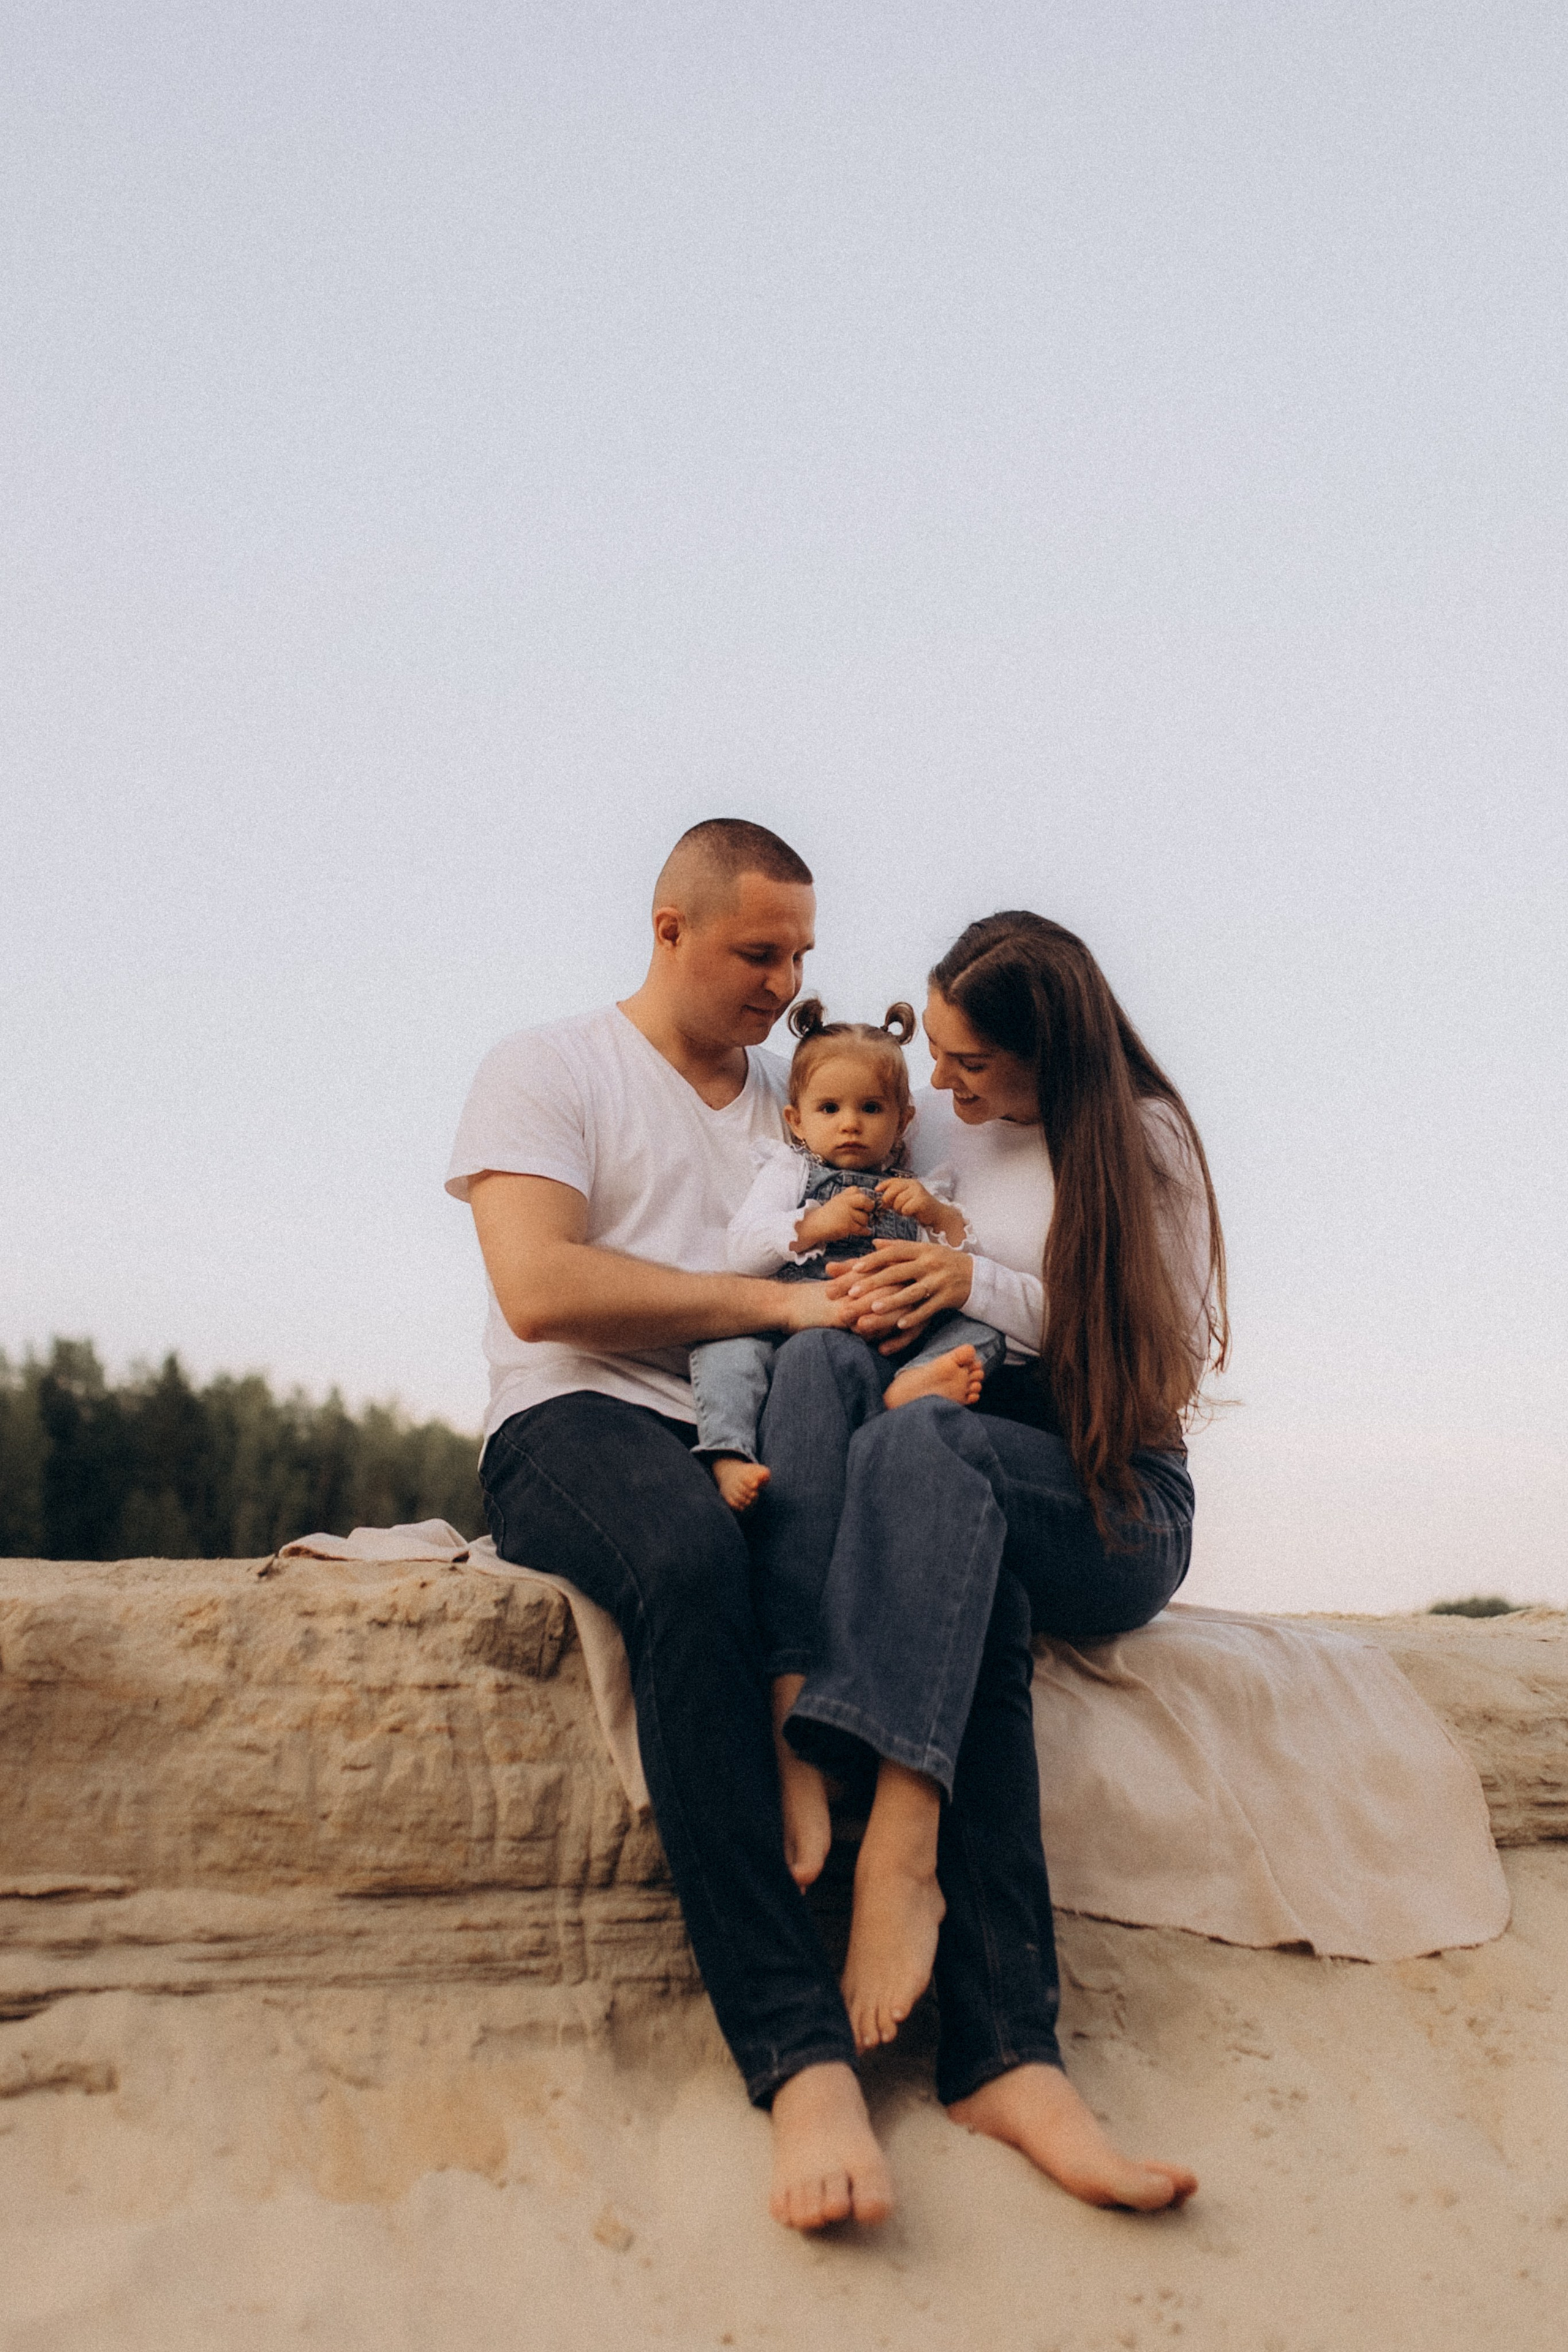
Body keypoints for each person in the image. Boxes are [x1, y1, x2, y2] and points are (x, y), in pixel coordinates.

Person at [447, 817, 895, 2233]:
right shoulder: (549, 1065)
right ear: (669, 929)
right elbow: (541, 1285)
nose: (782, 979)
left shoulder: (805, 1098)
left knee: (912, 1541)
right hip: (575, 1417)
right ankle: (797, 2053)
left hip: (760, 1425)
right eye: (758, 950)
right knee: (694, 1567)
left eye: (800, 954)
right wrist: (773, 1302)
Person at [752, 910, 1227, 2212]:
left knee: (929, 1458)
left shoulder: (1140, 1139)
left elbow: (1161, 1357)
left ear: (1046, 1053)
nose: (945, 1092)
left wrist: (960, 1277)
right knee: (849, 1402)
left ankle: (897, 1845)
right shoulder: (950, 1121)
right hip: (959, 1465)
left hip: (1105, 1485)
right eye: (941, 1061)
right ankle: (1007, 2059)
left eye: (971, 1067)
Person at [689, 995, 1005, 1518]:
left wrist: (937, 1216)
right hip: (800, 1323)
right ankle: (727, 1451)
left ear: (904, 1121)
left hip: (895, 1329)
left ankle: (917, 1382)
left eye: (871, 1108)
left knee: (986, 1331)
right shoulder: (790, 1172)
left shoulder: (918, 1186)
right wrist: (814, 1224)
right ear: (796, 1119)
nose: (850, 1124)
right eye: (829, 1109)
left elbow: (965, 1259)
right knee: (725, 1344)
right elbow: (741, 1251)